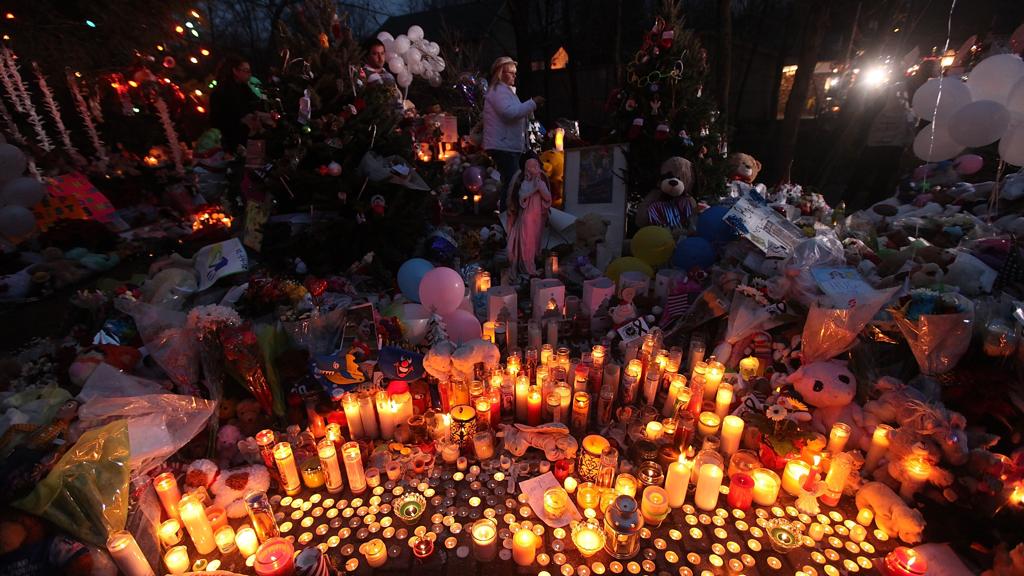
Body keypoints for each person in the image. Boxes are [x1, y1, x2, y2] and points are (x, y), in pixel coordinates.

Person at [483, 57, 544, 209]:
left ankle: (508, 219)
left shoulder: (505, 92)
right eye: (511, 73)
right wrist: (532, 103)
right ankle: (506, 220)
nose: (514, 76)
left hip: (508, 144)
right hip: (504, 145)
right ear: (501, 73)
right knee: (511, 185)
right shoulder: (499, 91)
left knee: (511, 182)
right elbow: (509, 113)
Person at [506, 156, 551, 276]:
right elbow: (522, 197)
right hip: (527, 217)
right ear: (528, 169)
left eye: (537, 165)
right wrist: (534, 189)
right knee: (527, 242)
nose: (537, 168)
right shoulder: (525, 184)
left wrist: (540, 188)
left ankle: (532, 265)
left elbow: (547, 198)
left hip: (537, 217)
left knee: (535, 241)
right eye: (533, 166)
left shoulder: (541, 183)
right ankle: (527, 268)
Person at [208, 56, 260, 154]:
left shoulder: (243, 88)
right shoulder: (223, 91)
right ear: (235, 71)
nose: (250, 74)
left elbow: (254, 103)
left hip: (241, 135)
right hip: (229, 139)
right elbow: (224, 118)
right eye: (246, 71)